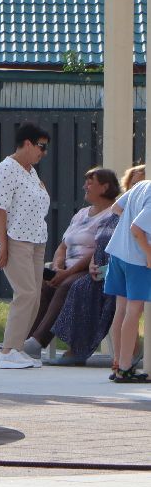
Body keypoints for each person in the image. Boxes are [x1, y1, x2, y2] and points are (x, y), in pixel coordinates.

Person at [24, 167, 118, 361]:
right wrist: (58, 266)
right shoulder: (82, 214)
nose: (85, 186)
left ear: (105, 187)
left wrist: (66, 274)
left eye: (90, 182)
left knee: (66, 286)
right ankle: (24, 340)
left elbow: (97, 250)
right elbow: (63, 245)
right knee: (43, 286)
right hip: (67, 268)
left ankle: (36, 342)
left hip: (89, 270)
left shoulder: (111, 215)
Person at [54, 170, 137, 366]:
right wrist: (61, 265)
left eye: (139, 185)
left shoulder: (126, 214)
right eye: (132, 186)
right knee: (46, 285)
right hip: (102, 271)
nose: (135, 191)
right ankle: (32, 340)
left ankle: (85, 350)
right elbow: (99, 244)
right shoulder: (115, 213)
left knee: (77, 287)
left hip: (119, 272)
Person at [0, 124, 52, 368]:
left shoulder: (30, 172)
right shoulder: (6, 169)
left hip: (36, 240)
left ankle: (17, 347)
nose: (43, 152)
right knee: (25, 293)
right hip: (16, 239)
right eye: (41, 147)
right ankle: (7, 351)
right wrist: (3, 245)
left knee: (34, 297)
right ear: (26, 143)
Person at [104, 163, 151, 382]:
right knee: (134, 312)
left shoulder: (142, 185)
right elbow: (137, 228)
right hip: (137, 260)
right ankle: (125, 368)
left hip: (117, 253)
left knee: (120, 310)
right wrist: (149, 254)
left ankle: (117, 364)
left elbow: (116, 208)